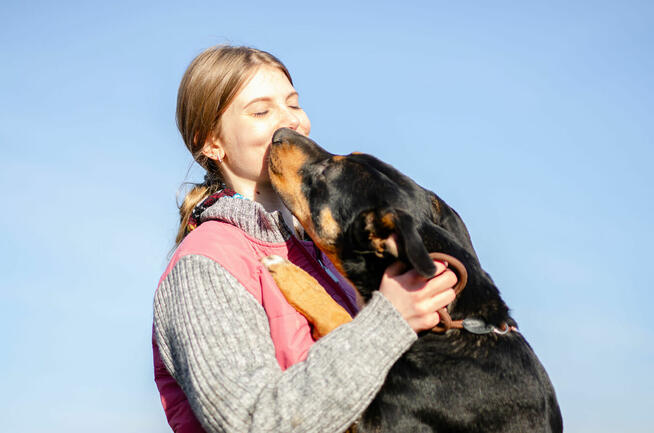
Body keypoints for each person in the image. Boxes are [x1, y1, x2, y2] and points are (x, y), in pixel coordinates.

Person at [152, 45, 458, 433]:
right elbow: (251, 422)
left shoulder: (325, 251)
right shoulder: (205, 264)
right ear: (211, 142)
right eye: (261, 111)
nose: (290, 121)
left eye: (293, 104)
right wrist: (389, 321)